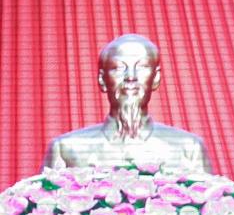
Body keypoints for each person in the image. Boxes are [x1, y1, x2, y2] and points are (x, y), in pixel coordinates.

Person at [44, 34, 211, 171]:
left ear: (156, 78)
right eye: (118, 68)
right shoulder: (66, 149)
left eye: (142, 67)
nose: (131, 77)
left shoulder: (188, 148)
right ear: (102, 79)